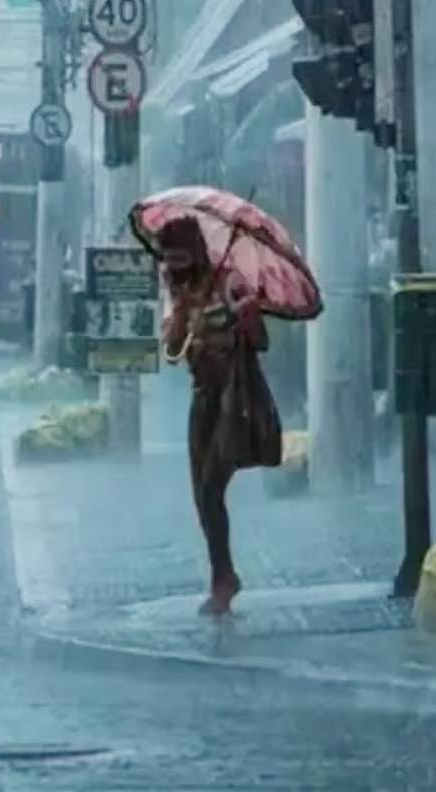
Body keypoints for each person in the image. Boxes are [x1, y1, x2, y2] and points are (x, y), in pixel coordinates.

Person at [159, 216, 275, 616]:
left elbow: (261, 340)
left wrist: (244, 316)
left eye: (180, 258)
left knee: (211, 488)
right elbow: (172, 353)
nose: (174, 267)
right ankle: (222, 574)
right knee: (202, 497)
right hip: (202, 398)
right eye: (168, 261)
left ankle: (223, 580)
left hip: (232, 395)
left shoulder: (228, 282)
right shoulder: (178, 290)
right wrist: (178, 318)